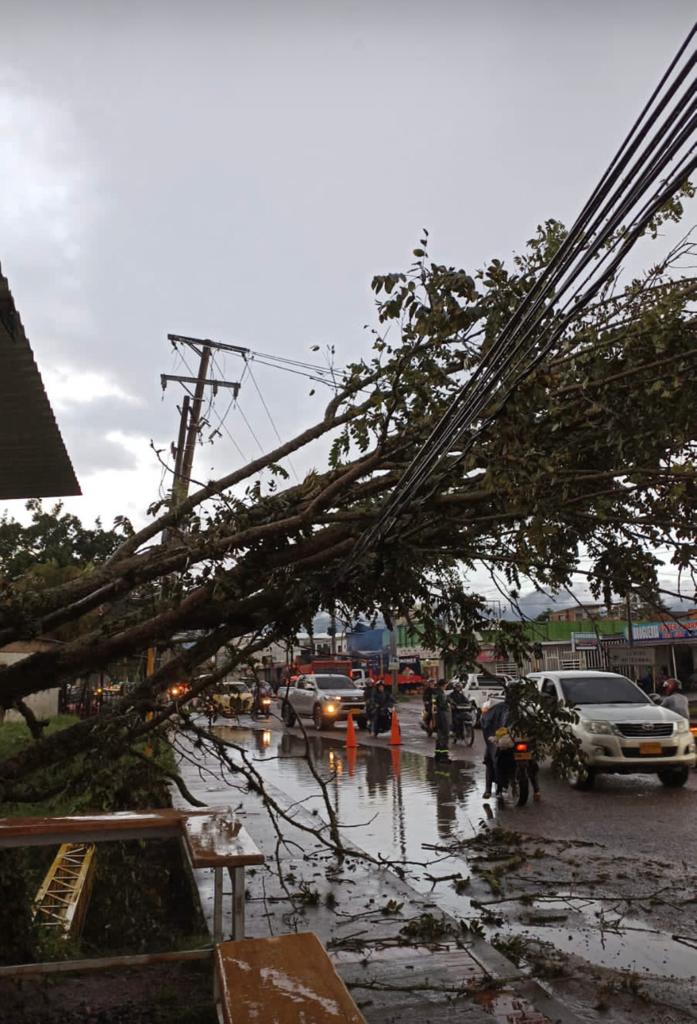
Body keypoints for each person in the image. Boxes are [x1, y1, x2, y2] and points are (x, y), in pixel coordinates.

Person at [433, 678, 451, 763]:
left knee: (439, 737)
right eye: (446, 684)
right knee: (445, 736)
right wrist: (448, 704)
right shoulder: (440, 694)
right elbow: (443, 705)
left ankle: (438, 755)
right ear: (443, 685)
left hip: (437, 717)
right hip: (443, 717)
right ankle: (444, 757)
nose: (447, 686)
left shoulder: (436, 693)